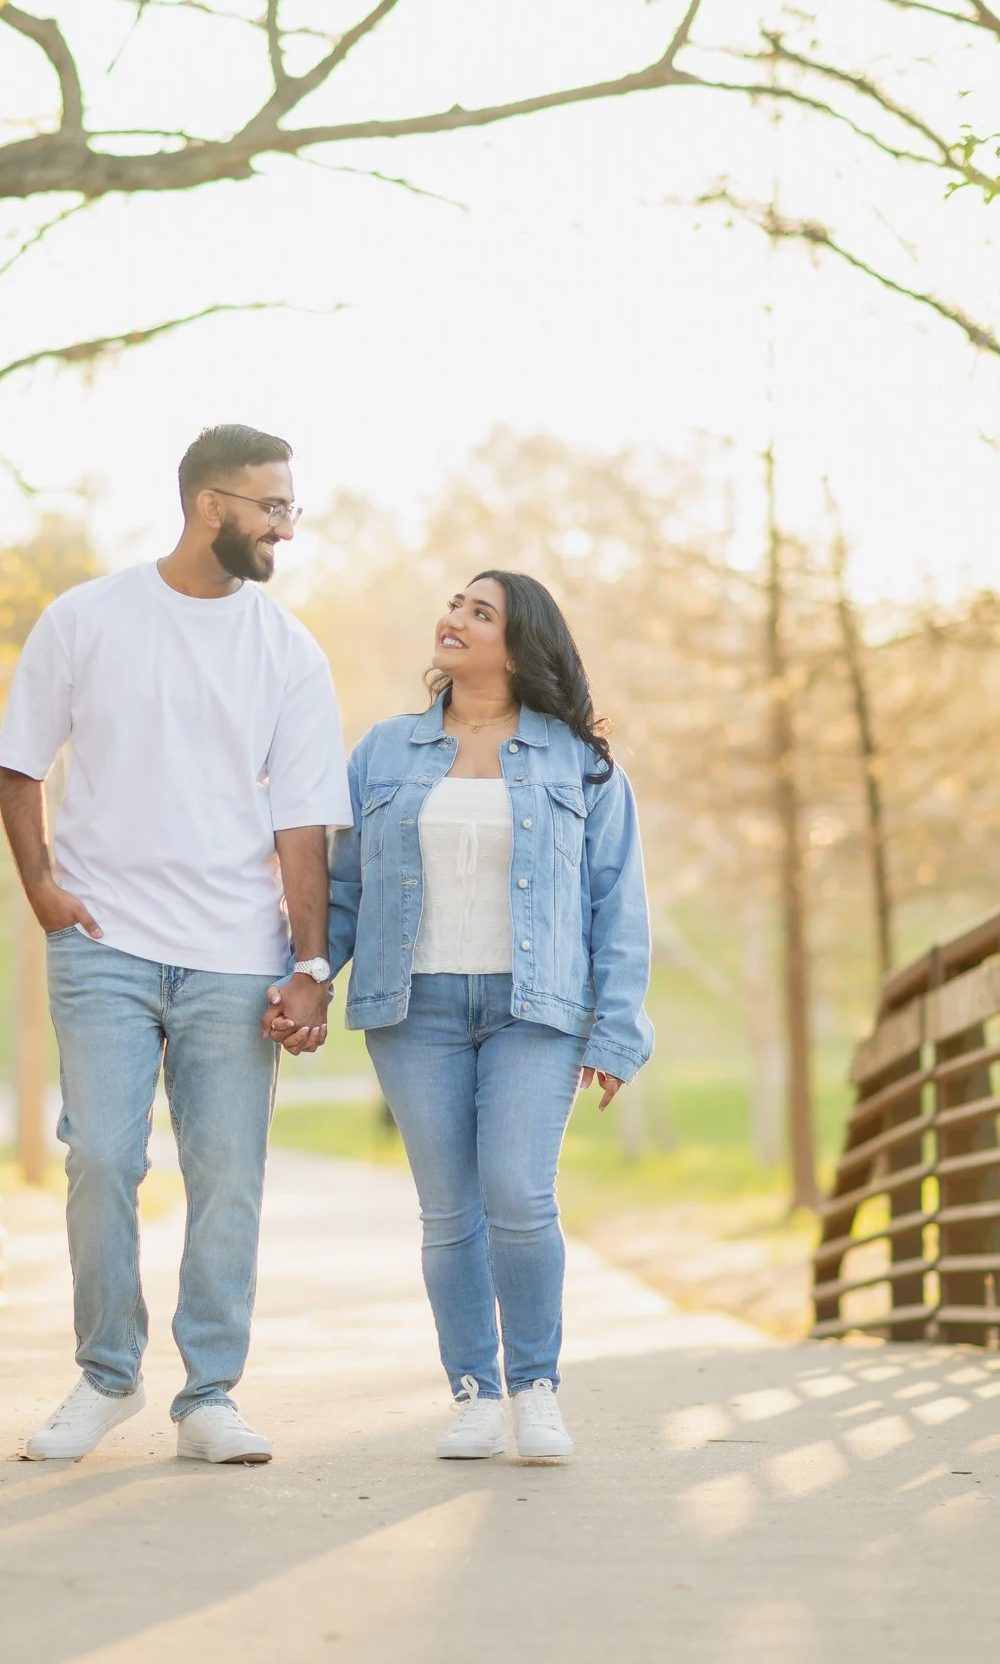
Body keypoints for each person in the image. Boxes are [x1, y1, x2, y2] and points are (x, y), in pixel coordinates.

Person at [0, 424, 347, 1465]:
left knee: (226, 1171)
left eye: (289, 507)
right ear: (210, 505)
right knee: (102, 1154)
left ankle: (209, 1395)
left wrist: (311, 964)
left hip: (236, 951)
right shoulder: (86, 618)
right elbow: (19, 764)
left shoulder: (287, 648)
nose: (286, 526)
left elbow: (304, 824)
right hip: (102, 941)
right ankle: (107, 1376)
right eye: (271, 507)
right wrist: (46, 891)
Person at [278, 570, 651, 1462]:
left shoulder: (580, 761)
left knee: (519, 1196)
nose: (453, 619)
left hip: (537, 1009)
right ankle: (475, 1393)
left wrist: (617, 1030)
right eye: (455, 604)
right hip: (417, 1008)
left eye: (480, 612)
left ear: (520, 645)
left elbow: (617, 902)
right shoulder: (383, 750)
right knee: (449, 1212)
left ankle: (537, 1386)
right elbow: (345, 885)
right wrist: (309, 974)